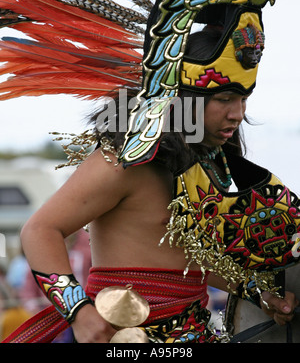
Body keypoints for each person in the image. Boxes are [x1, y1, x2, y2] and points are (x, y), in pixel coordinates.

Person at [3, 24, 299, 344]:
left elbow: (192, 261)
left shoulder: (208, 170)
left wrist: (261, 295)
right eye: (226, 99)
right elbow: (39, 230)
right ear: (185, 97)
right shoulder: (122, 163)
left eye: (243, 100)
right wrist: (81, 312)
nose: (237, 114)